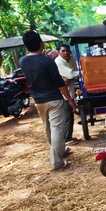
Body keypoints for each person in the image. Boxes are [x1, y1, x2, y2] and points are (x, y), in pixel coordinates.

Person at [20, 31, 76, 170]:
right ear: (41, 44)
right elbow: (59, 83)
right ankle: (57, 162)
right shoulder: (48, 61)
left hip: (38, 101)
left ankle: (60, 151)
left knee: (48, 129)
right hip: (54, 100)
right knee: (57, 129)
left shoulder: (23, 61)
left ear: (26, 46)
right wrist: (69, 100)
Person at [54, 44, 80, 146]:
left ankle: (69, 136)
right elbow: (71, 74)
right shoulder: (58, 62)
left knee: (70, 115)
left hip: (70, 90)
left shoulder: (71, 59)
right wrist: (71, 76)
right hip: (63, 93)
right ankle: (66, 139)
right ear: (58, 52)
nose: (66, 53)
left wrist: (71, 76)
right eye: (63, 51)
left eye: (67, 51)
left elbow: (74, 73)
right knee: (67, 116)